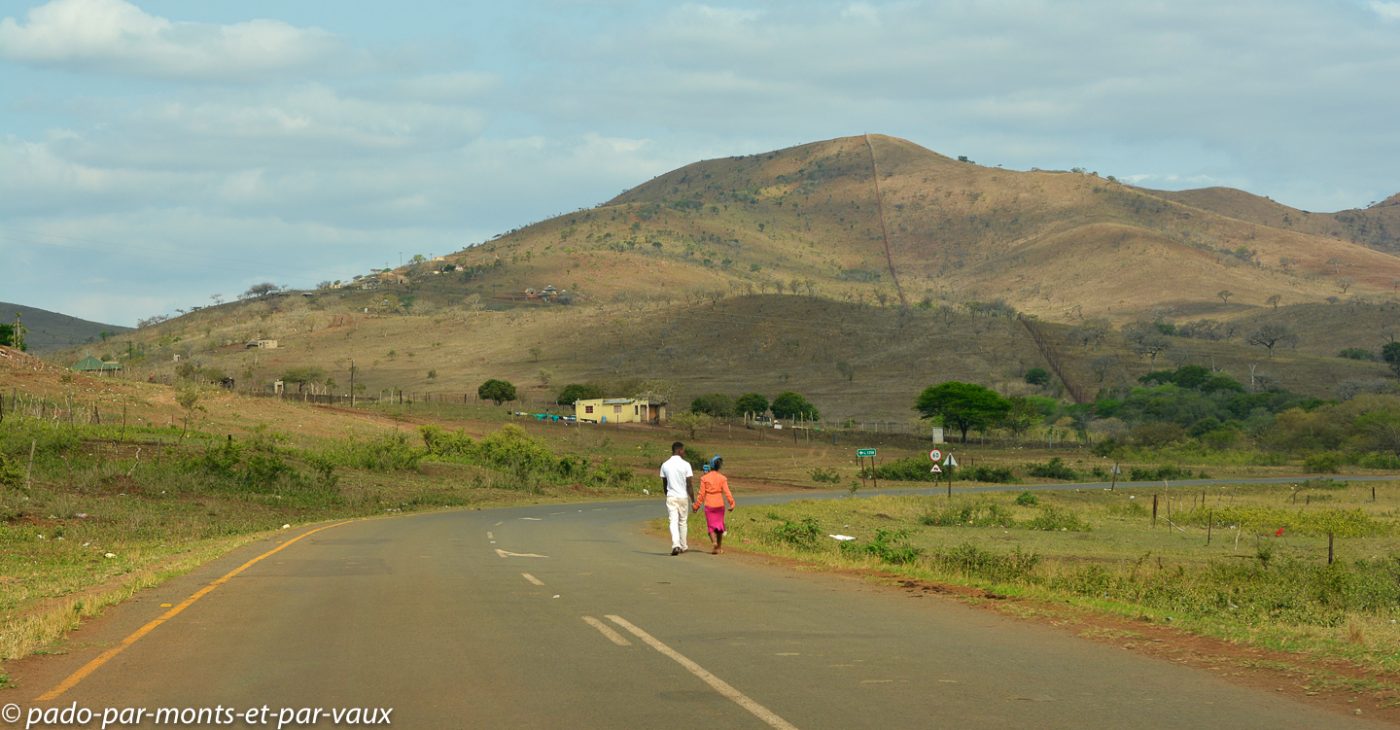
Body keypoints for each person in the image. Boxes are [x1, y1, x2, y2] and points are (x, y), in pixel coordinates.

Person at [693, 456, 735, 554]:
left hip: (709, 505)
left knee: (711, 527)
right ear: (719, 466)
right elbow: (727, 492)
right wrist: (732, 503)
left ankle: (714, 543)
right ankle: (719, 547)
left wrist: (696, 506)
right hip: (720, 505)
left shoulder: (704, 478)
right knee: (720, 527)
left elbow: (701, 494)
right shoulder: (722, 478)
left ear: (710, 466)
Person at [659, 441, 695, 555]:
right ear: (679, 451)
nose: (684, 452)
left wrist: (667, 494)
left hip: (671, 496)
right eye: (683, 450)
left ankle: (676, 545)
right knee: (683, 522)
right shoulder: (686, 464)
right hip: (683, 497)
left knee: (673, 521)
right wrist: (693, 500)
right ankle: (684, 546)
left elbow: (664, 483)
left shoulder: (665, 465)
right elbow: (689, 484)